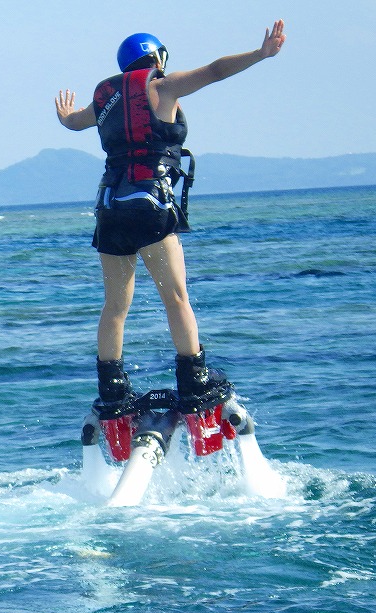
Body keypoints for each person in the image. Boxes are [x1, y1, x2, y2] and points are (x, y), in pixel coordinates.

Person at [55, 21, 286, 415]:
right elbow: (215, 71)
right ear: (157, 57)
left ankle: (112, 389)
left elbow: (75, 121)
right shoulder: (161, 86)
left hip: (110, 211)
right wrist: (259, 54)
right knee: (176, 298)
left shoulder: (106, 100)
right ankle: (193, 378)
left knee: (115, 306)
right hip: (150, 208)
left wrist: (64, 117)